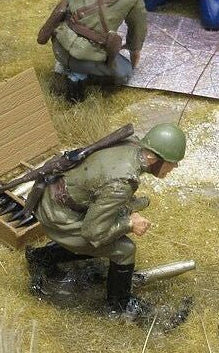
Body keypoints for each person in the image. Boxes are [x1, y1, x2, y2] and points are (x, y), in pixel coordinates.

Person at [26, 123, 186, 316]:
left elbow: (102, 184)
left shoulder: (130, 144)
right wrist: (129, 224)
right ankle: (119, 305)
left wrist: (125, 207)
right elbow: (93, 233)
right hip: (58, 215)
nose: (175, 166)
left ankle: (43, 256)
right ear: (153, 158)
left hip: (58, 197)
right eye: (172, 162)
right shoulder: (122, 183)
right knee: (125, 250)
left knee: (112, 226)